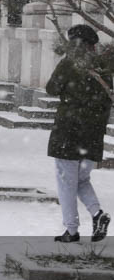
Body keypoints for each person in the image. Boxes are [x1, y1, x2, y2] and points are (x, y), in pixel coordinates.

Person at [45, 24, 112, 243]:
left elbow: (51, 88)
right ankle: (97, 214)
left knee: (66, 182)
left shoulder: (69, 63)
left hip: (68, 132)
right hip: (92, 134)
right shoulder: (102, 67)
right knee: (81, 180)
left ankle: (71, 230)